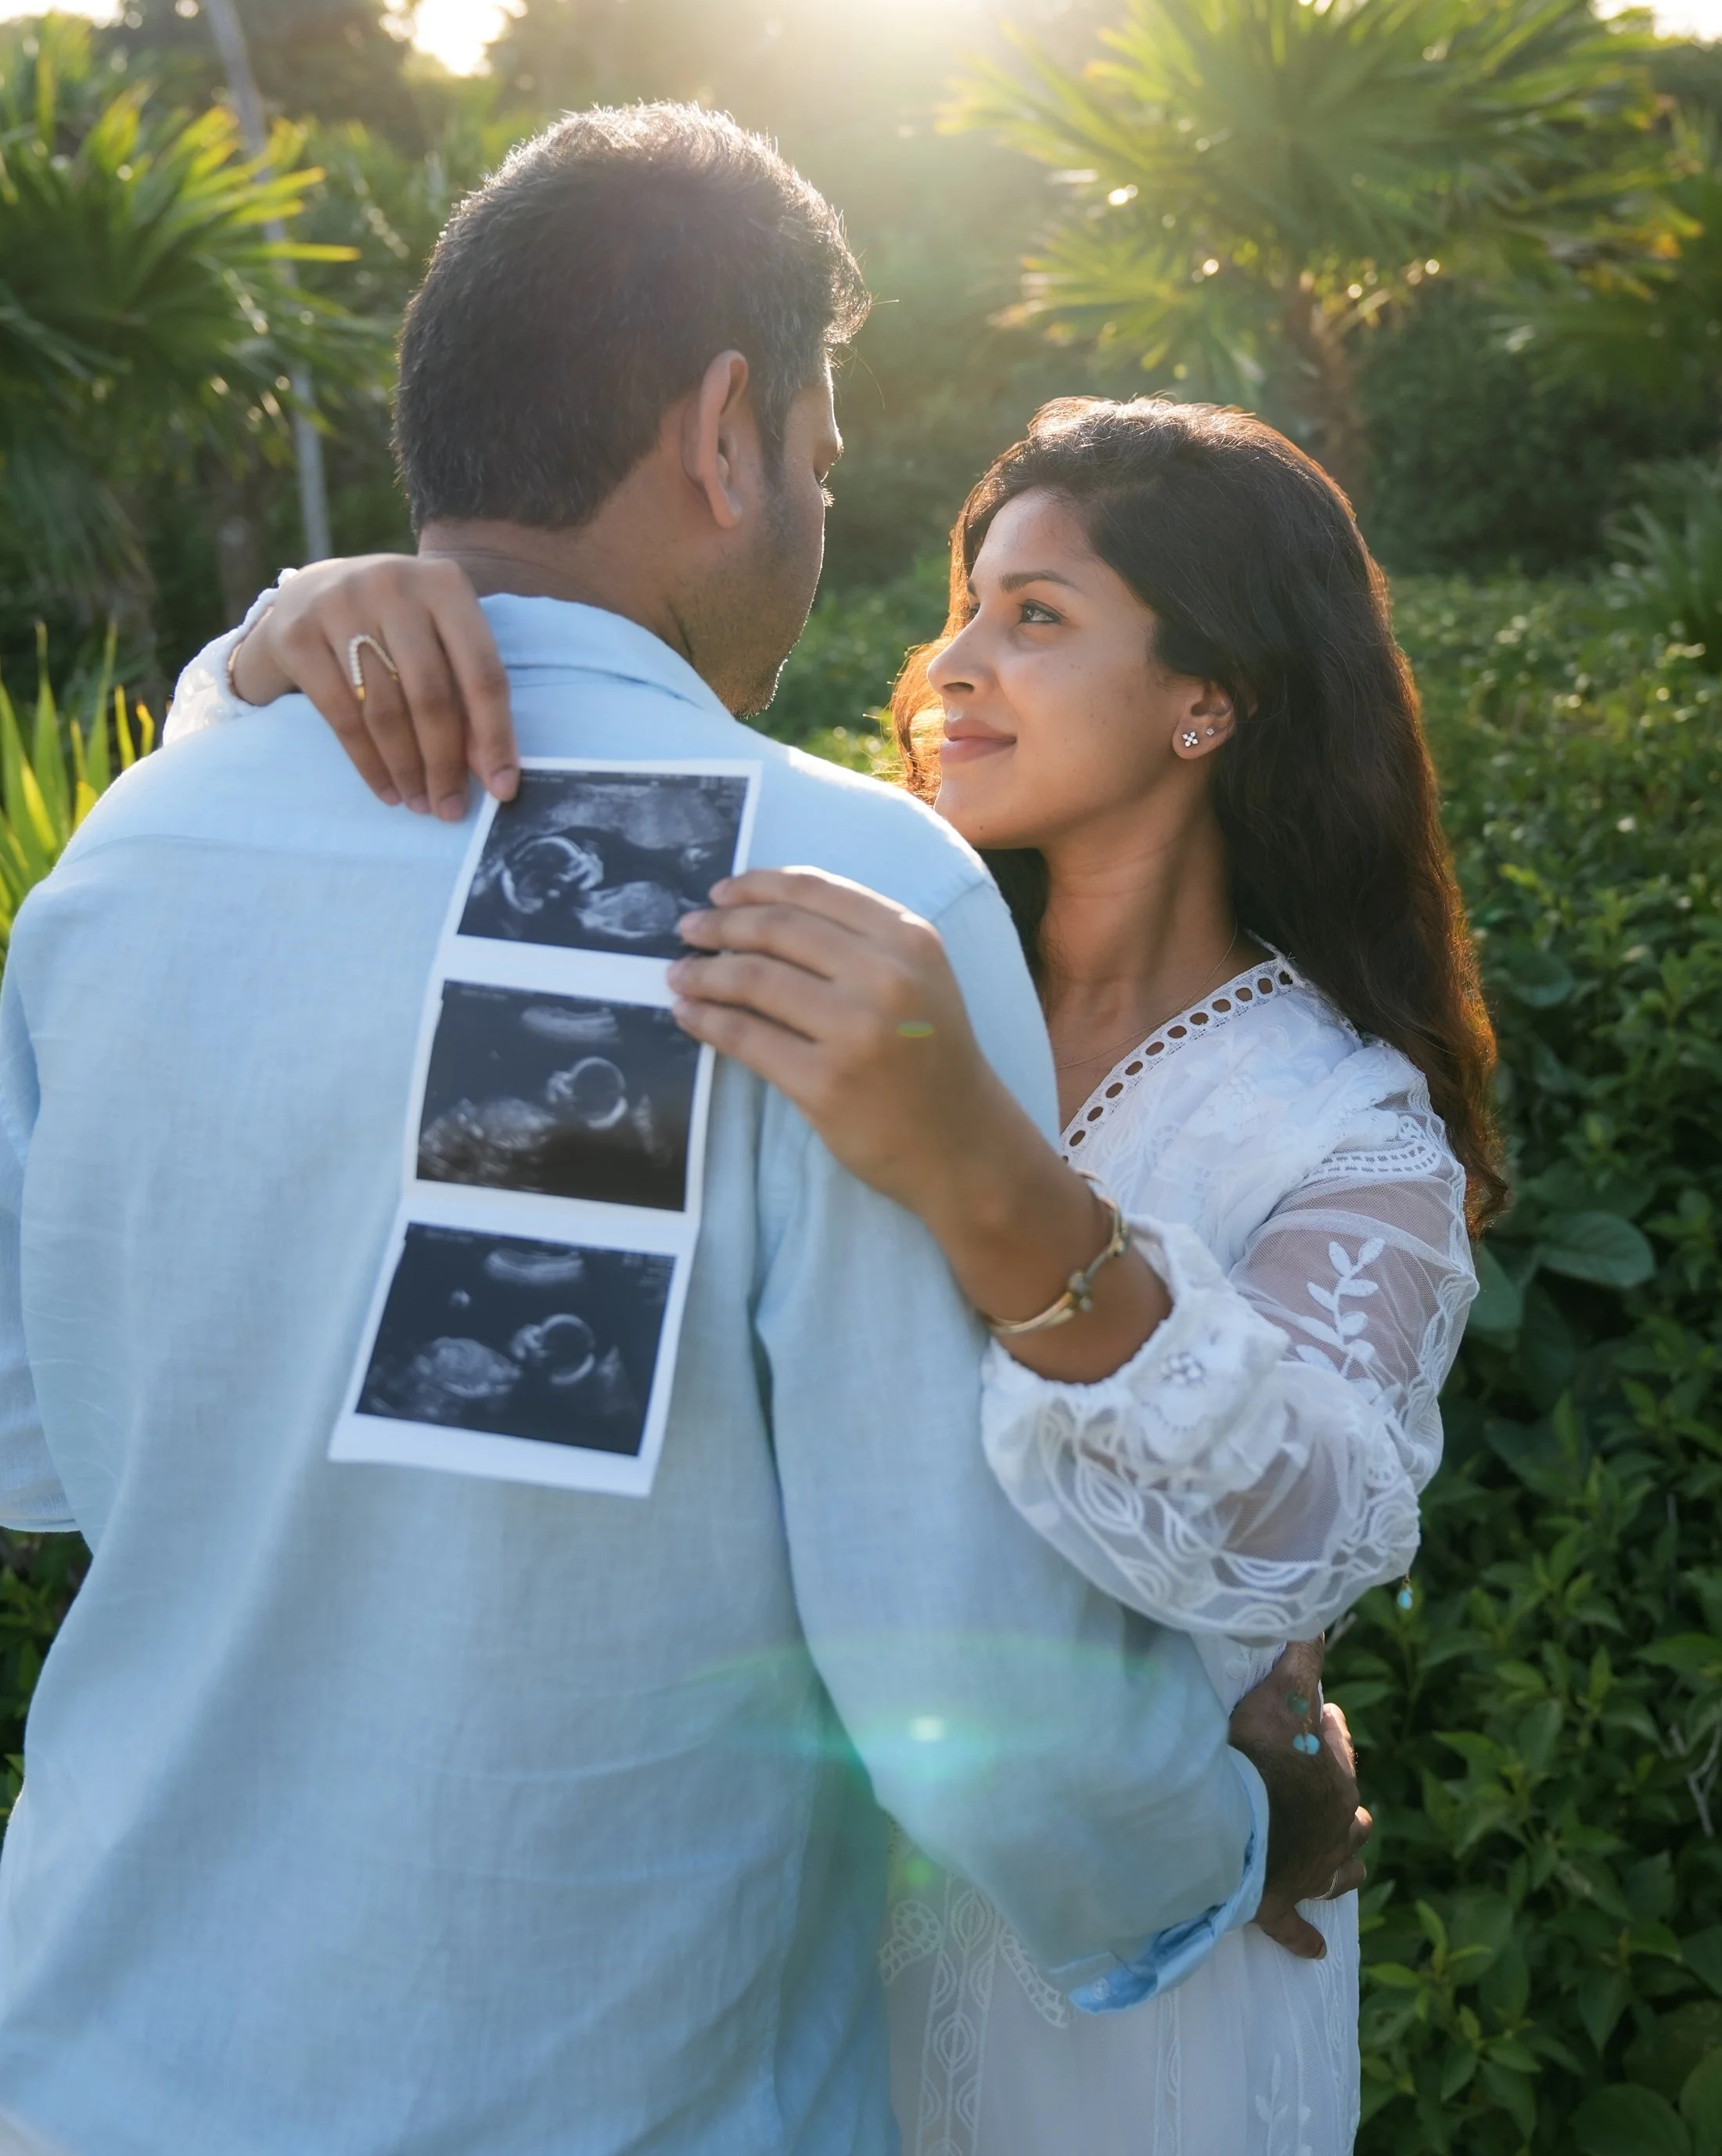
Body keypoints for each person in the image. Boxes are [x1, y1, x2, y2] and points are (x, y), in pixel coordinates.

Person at [0, 110, 1361, 2156]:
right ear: (726, 434)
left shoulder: (132, 850)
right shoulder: (818, 894)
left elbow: (33, 1441)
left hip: (89, 2066)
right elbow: (964, 1691)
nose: (817, 521)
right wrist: (1234, 1827)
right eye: (819, 458)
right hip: (598, 2100)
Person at [169, 388, 1493, 2151]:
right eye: (964, 605)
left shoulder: (1335, 1120)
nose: (952, 663)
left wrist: (989, 1181)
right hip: (752, 1936)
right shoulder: (814, 938)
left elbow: (1305, 1530)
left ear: (1211, 696)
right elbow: (506, 1338)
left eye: (1035, 615)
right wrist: (285, 642)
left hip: (1126, 1976)